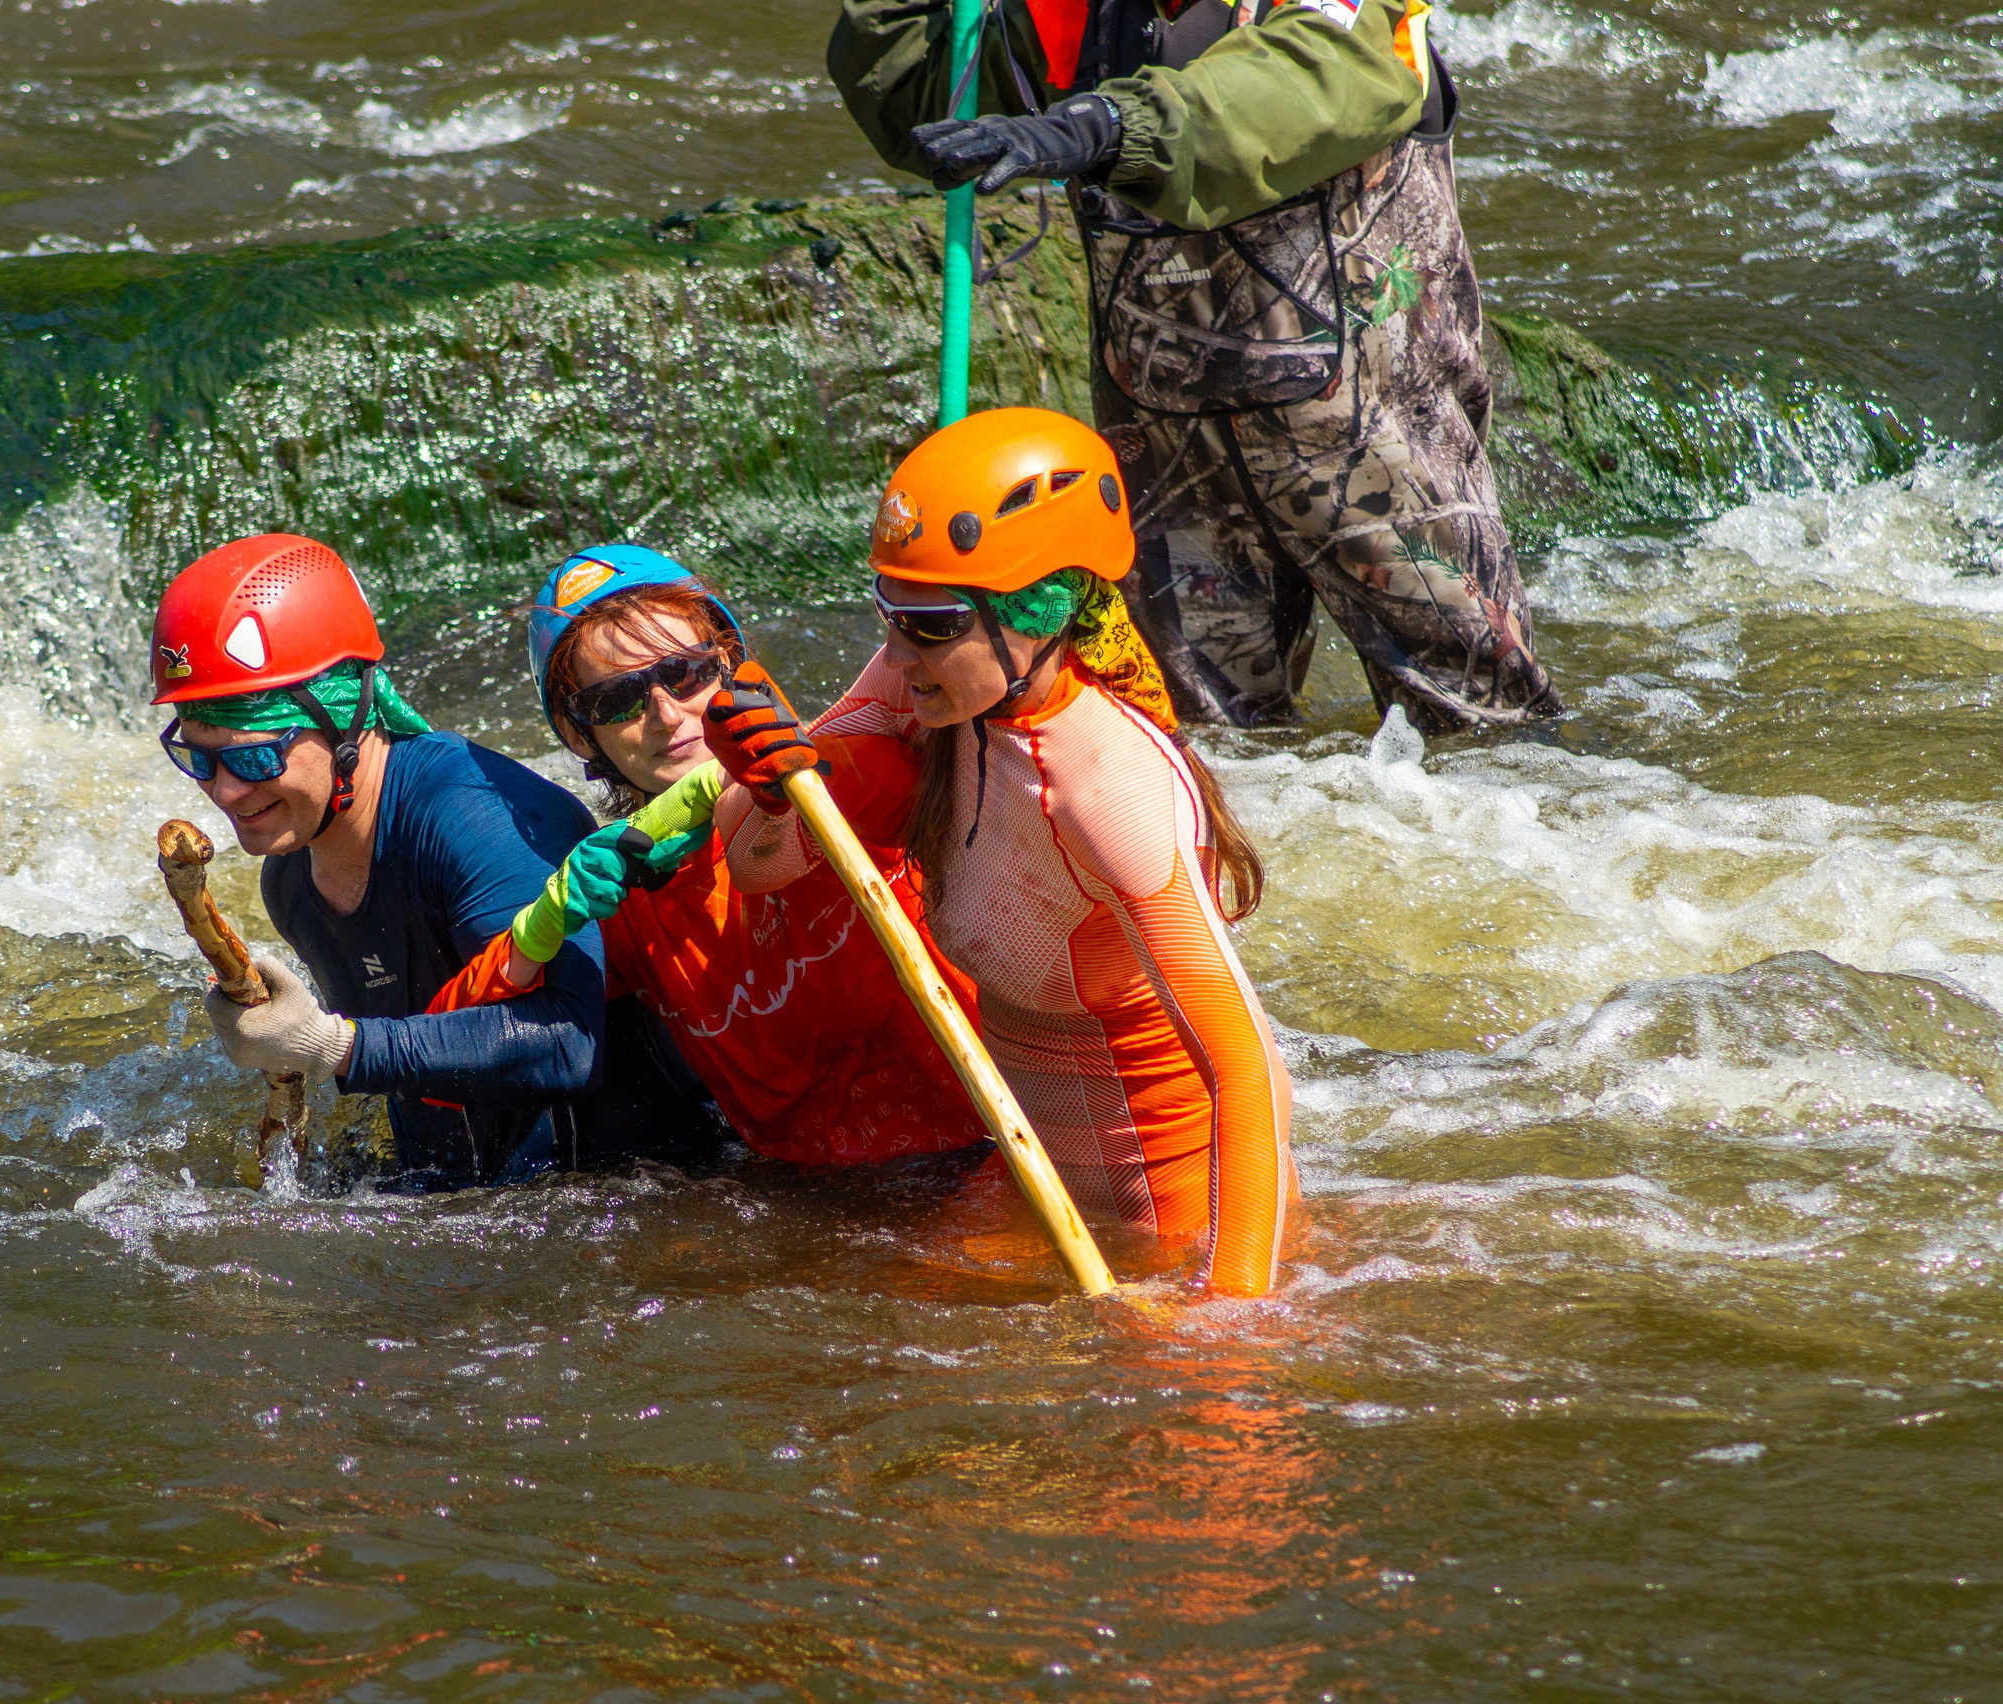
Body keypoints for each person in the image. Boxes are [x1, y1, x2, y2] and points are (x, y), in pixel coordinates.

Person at [826, 0, 1562, 732]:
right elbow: (916, 92)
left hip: (1378, 467)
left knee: (1487, 743)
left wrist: (1100, 128)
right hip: (1171, 467)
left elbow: (1304, 83)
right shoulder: (1082, 11)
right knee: (1200, 757)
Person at [711, 409, 1296, 1295]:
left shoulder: (1108, 786)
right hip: (1031, 1181)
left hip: (1172, 1215)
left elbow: (1245, 1071)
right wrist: (761, 785)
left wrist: (1233, 1320)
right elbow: (759, 865)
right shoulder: (925, 693)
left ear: (1040, 609)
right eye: (889, 614)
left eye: (933, 623)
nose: (899, 653)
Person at [149, 532, 722, 1191]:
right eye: (198, 757)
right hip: (475, 1205)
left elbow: (569, 1045)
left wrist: (332, 1047)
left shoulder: (480, 819)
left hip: (653, 1198)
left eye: (254, 757)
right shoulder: (291, 881)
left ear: (347, 718)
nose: (225, 791)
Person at [425, 544, 993, 1168]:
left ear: (731, 665)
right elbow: (442, 1074)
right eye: (619, 701)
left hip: (996, 1144)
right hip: (819, 1207)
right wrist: (540, 927)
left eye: (686, 674)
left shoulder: (845, 775)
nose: (666, 715)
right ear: (580, 736)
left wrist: (791, 787)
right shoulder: (622, 898)